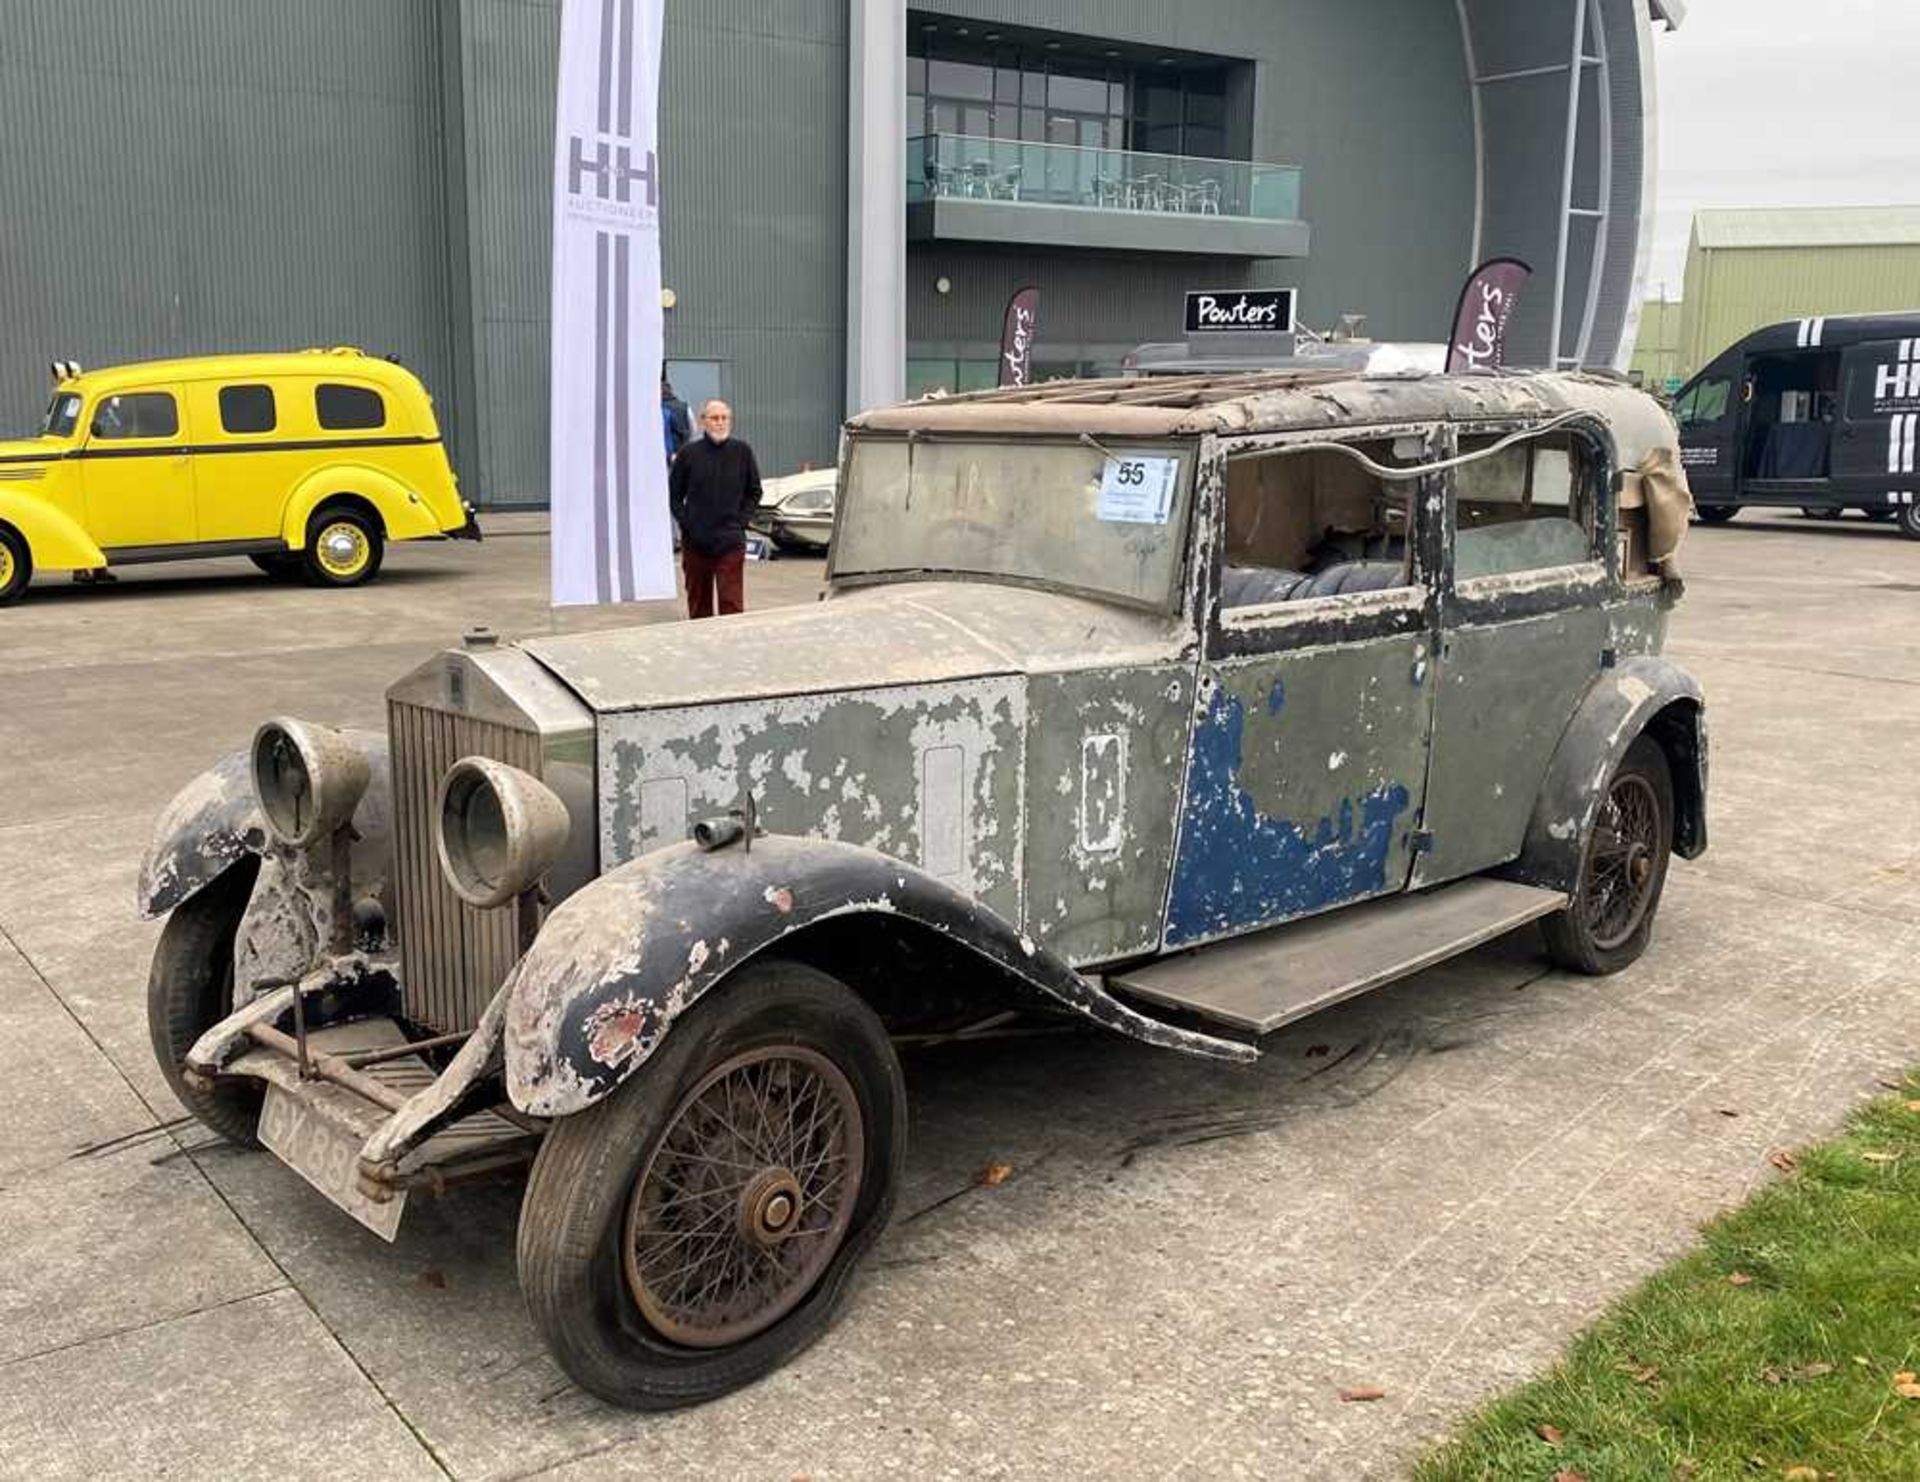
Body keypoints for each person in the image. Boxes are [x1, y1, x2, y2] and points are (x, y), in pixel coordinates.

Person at [668, 399, 761, 619]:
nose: (720, 423)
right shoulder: (688, 454)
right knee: (699, 607)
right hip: (696, 543)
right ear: (703, 422)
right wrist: (687, 524)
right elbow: (674, 496)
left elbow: (754, 491)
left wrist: (741, 522)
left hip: (730, 541)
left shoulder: (742, 452)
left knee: (732, 606)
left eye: (724, 418)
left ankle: (731, 649)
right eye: (714, 418)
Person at [660, 375, 691, 461]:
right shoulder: (684, 406)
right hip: (680, 449)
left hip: (665, 451)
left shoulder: (658, 409)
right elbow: (692, 428)